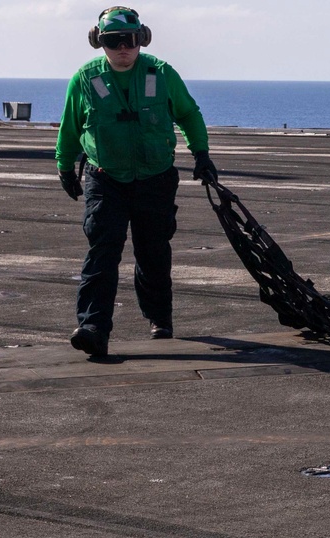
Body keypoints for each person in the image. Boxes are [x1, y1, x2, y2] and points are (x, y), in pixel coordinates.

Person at [55, 6, 218, 357]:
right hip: (105, 178)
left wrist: (201, 154)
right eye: (113, 42)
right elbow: (70, 126)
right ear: (100, 43)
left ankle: (159, 318)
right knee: (102, 251)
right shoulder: (85, 79)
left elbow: (189, 114)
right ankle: (93, 327)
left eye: (129, 41)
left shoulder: (160, 74)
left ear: (141, 39)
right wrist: (64, 166)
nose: (122, 48)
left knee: (153, 251)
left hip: (154, 178)